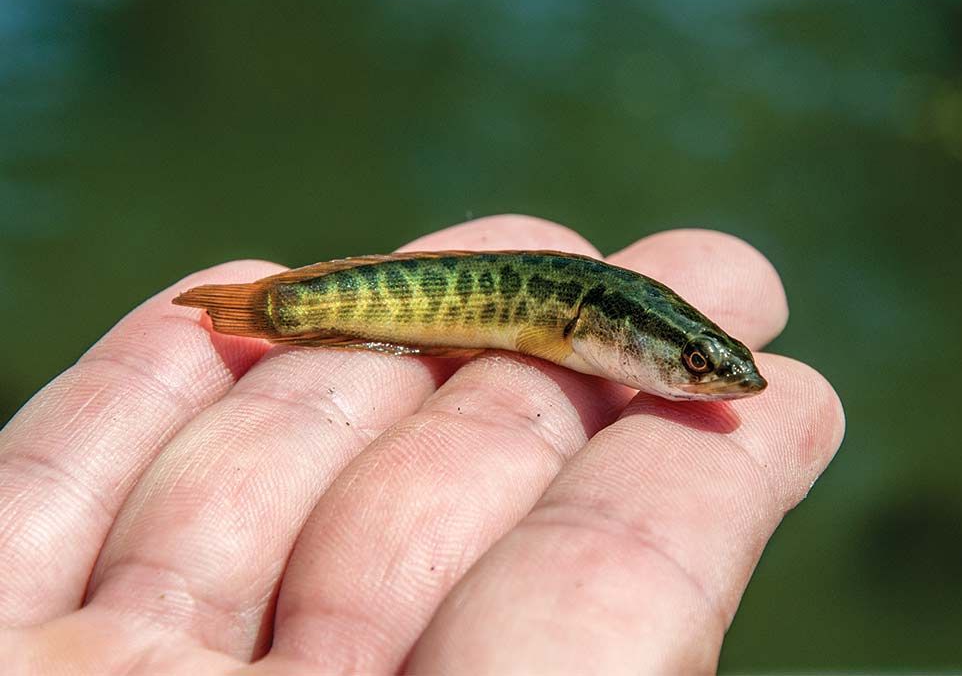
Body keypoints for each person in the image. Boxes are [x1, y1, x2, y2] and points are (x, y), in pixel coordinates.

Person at [0, 215, 843, 674]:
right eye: (693, 362)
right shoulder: (592, 322)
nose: (714, 379)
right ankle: (270, 306)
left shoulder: (614, 327)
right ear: (613, 330)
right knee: (285, 308)